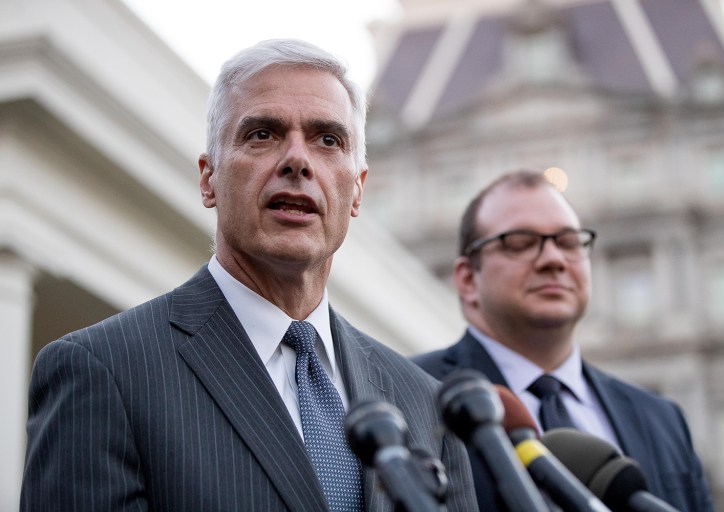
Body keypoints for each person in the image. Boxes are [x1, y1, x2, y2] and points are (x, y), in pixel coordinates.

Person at [21, 39, 477, 512]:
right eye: (262, 134)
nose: (297, 160)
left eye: (328, 140)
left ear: (358, 190)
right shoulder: (103, 371)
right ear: (209, 178)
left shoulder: (425, 402)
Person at [413, 170, 714, 512]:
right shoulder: (408, 394)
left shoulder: (664, 420)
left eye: (570, 242)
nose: (554, 259)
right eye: (521, 243)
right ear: (467, 279)